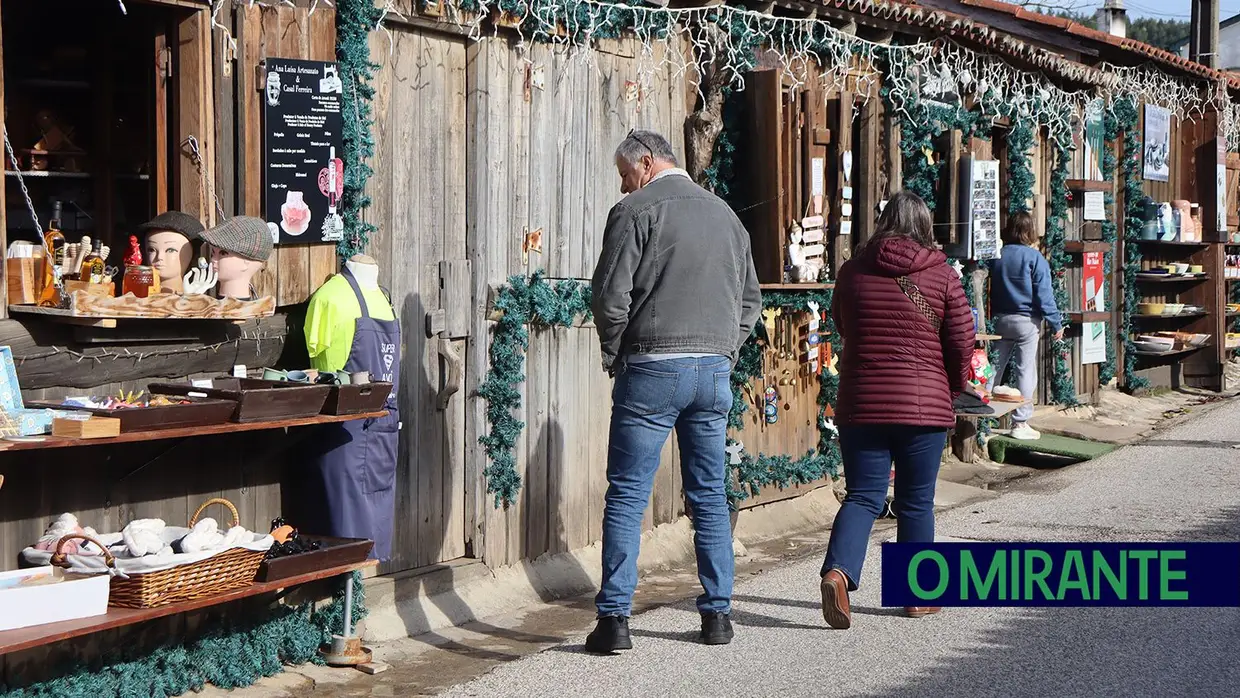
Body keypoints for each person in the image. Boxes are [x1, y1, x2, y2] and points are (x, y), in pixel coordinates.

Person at [587, 129, 762, 653]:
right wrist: (725, 352)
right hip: (712, 372)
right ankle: (718, 615)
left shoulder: (634, 211)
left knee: (627, 495)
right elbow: (750, 301)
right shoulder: (726, 216)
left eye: (625, 174)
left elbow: (609, 298)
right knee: (709, 493)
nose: (623, 185)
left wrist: (616, 353)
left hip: (651, 367)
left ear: (646, 163)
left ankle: (614, 622)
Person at [818, 191, 975, 628]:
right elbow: (962, 340)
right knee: (915, 501)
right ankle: (916, 596)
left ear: (884, 221)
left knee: (863, 496)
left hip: (861, 402)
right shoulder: (942, 274)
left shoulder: (852, 271)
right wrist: (952, 387)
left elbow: (842, 324)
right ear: (925, 225)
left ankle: (837, 573)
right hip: (923, 407)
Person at [985, 211, 1065, 441]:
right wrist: (1056, 323)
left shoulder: (997, 256)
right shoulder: (1035, 258)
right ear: (1030, 231)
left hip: (1000, 320)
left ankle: (983, 418)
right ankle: (1020, 423)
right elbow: (1044, 295)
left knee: (994, 368)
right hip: (1027, 322)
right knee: (1025, 370)